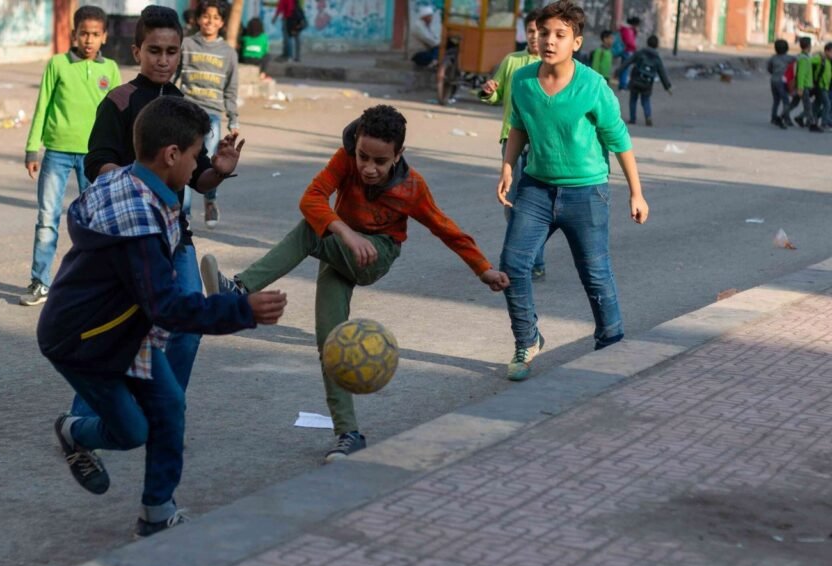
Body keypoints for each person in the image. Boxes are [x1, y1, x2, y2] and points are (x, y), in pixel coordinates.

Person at [198, 105, 510, 462]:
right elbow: (311, 198)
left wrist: (482, 268)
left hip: (376, 255)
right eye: (363, 157)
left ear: (399, 155)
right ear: (355, 147)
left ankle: (239, 289)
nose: (368, 168)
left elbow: (445, 228)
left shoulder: (412, 187)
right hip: (342, 247)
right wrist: (345, 232)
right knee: (331, 344)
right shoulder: (345, 159)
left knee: (309, 233)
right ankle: (348, 433)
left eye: (380, 161)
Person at [39, 97, 287, 537]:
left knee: (170, 404)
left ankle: (157, 512)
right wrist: (240, 309)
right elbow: (167, 306)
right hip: (83, 341)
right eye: (196, 156)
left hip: (130, 329)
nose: (197, 169)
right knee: (132, 430)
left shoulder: (143, 186)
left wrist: (218, 173)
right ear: (172, 155)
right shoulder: (137, 219)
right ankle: (75, 431)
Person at [85, 6, 243, 392]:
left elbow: (200, 179)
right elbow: (97, 163)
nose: (163, 60)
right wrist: (139, 184)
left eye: (171, 52)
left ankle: (167, 410)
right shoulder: (119, 102)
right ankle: (80, 427)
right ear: (137, 52)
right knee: (120, 334)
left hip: (175, 238)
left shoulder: (184, 109)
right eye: (154, 50)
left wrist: (219, 169)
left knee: (188, 328)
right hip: (129, 238)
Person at [497, 0, 649, 382]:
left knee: (595, 273)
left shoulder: (593, 86)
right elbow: (518, 126)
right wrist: (506, 168)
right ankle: (527, 340)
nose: (549, 41)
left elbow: (619, 140)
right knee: (513, 266)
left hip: (586, 193)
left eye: (560, 35)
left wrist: (636, 192)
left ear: (576, 42)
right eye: (544, 33)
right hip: (535, 189)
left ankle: (611, 345)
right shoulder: (524, 81)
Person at [20, 5, 121, 306]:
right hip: (57, 152)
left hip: (96, 157)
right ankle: (40, 281)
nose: (88, 40)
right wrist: (31, 148)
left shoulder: (111, 69)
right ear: (73, 34)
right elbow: (42, 107)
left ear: (104, 36)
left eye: (95, 34)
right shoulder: (58, 64)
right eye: (83, 34)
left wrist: (122, 154)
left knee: (95, 220)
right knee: (47, 217)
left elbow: (118, 114)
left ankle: (95, 284)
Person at [481, 9, 550, 281]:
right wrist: (489, 91)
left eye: (541, 32)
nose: (536, 37)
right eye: (532, 32)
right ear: (526, 33)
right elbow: (497, 94)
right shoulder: (512, 61)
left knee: (536, 202)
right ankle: (516, 258)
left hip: (540, 145)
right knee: (512, 201)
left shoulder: (552, 63)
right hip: (511, 141)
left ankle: (536, 261)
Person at [179, 0, 240, 228]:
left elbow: (231, 89)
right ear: (197, 18)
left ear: (222, 22)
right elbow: (174, 76)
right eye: (206, 16)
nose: (210, 21)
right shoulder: (186, 44)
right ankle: (183, 213)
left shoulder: (228, 53)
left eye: (215, 18)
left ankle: (210, 201)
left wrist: (234, 118)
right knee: (183, 159)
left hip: (212, 115)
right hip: (186, 112)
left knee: (211, 160)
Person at [623, 34, 672, 126]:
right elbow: (662, 74)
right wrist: (667, 87)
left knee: (633, 99)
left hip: (636, 80)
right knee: (645, 100)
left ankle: (633, 118)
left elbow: (628, 62)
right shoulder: (657, 59)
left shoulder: (640, 53)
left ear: (647, 43)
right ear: (657, 45)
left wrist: (618, 71)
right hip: (647, 83)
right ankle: (648, 116)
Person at [789, 37, 821, 132]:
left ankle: (782, 116)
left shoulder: (805, 57)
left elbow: (814, 60)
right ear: (809, 46)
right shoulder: (803, 59)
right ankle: (812, 124)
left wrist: (820, 56)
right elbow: (801, 75)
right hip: (804, 87)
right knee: (808, 106)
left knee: (794, 103)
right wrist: (800, 88)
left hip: (804, 86)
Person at [767, 39, 794, 129]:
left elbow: (769, 69)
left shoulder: (772, 58)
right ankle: (786, 118)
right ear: (787, 48)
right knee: (785, 101)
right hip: (783, 81)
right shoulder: (790, 58)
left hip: (773, 80)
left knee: (776, 100)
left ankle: (773, 117)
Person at [615, 15, 639, 90]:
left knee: (624, 67)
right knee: (625, 68)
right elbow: (629, 42)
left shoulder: (626, 29)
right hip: (628, 51)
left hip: (626, 51)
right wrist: (635, 48)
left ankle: (622, 83)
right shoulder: (628, 30)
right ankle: (623, 84)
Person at [810, 42, 831, 130]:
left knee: (816, 104)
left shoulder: (829, 61)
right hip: (820, 86)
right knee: (827, 104)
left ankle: (813, 122)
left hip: (825, 86)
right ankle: (824, 123)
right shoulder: (820, 58)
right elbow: (808, 60)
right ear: (826, 51)